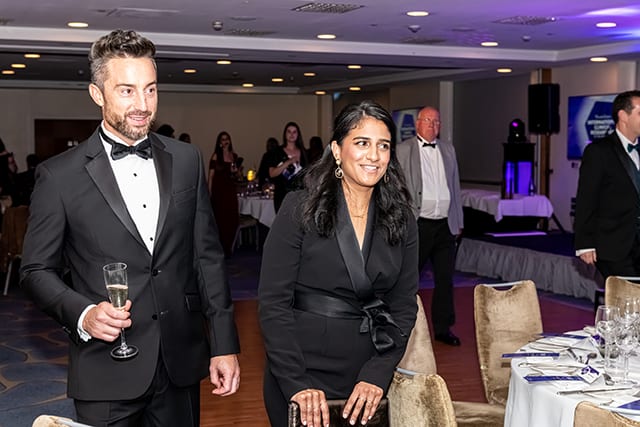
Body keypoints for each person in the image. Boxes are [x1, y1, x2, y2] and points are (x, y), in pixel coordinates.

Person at [19, 29, 240, 427]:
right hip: (104, 368)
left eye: (150, 90)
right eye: (126, 91)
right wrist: (84, 314)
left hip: (179, 362)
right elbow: (35, 271)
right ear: (97, 94)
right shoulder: (59, 176)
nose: (142, 105)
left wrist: (224, 344)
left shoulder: (186, 160)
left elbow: (207, 257)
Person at [259, 100, 418, 427]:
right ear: (336, 150)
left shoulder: (402, 219)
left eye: (383, 145)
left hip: (366, 379)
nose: (374, 155)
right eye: (362, 143)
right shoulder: (299, 208)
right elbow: (273, 303)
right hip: (301, 372)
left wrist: (377, 374)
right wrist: (297, 384)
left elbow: (403, 307)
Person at [396, 106, 464, 347]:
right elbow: (396, 189)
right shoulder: (403, 150)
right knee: (409, 280)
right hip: (418, 224)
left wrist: (459, 221)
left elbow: (455, 186)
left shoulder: (448, 149)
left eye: (437, 122)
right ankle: (402, 327)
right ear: (417, 123)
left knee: (445, 279)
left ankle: (443, 328)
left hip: (445, 225)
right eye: (428, 121)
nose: (433, 126)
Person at [574, 90, 640, 279]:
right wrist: (584, 243)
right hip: (613, 245)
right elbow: (586, 199)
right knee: (627, 294)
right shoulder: (598, 151)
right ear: (623, 116)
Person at [208, 131, 241, 257]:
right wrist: (209, 193)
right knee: (220, 220)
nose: (225, 141)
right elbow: (211, 176)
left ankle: (228, 247)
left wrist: (236, 171)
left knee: (232, 219)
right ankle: (221, 249)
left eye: (227, 139)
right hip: (219, 191)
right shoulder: (216, 156)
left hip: (230, 190)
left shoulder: (234, 156)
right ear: (219, 142)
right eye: (222, 139)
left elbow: (237, 175)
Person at [267, 121, 308, 211]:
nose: (291, 134)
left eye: (294, 132)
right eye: (289, 131)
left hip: (300, 195)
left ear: (298, 134)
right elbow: (272, 174)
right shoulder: (277, 152)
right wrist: (288, 162)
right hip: (282, 195)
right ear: (285, 134)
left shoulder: (304, 152)